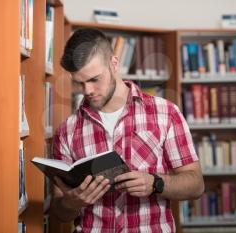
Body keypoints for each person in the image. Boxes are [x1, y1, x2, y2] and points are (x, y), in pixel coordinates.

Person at [50, 28, 204, 232]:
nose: (87, 91)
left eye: (94, 79)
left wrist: (156, 183)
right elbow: (59, 212)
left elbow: (196, 185)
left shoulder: (166, 113)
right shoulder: (67, 131)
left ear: (114, 64)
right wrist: (73, 202)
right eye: (79, 82)